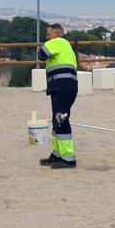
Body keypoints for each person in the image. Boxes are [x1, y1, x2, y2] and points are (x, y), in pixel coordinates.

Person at [37, 24, 78, 169]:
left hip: (62, 87)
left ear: (56, 33)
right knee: (57, 120)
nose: (47, 37)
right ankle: (58, 153)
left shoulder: (58, 42)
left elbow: (41, 54)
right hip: (62, 88)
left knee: (61, 119)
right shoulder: (64, 46)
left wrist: (46, 44)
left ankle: (68, 158)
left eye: (48, 34)